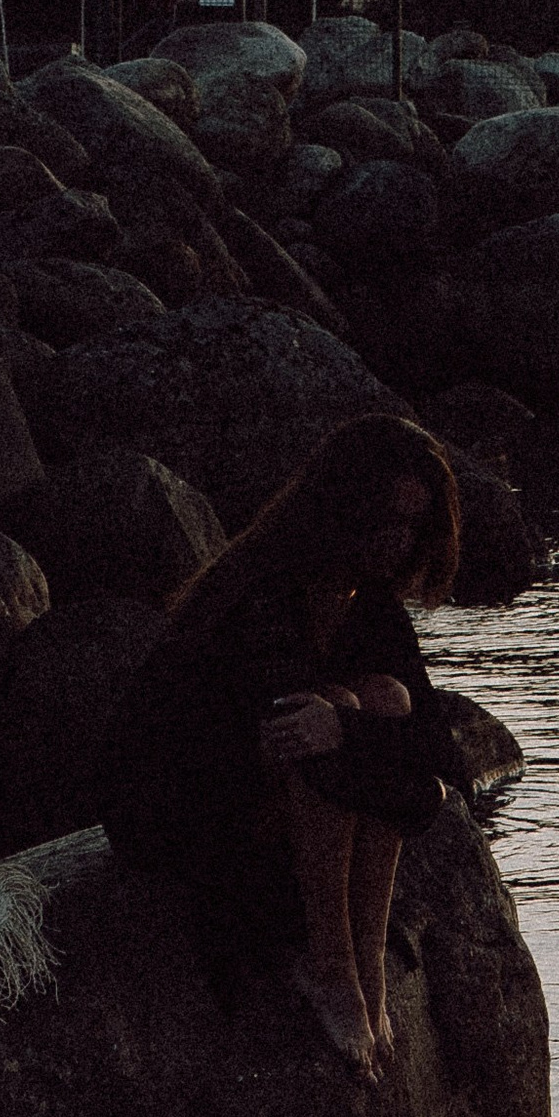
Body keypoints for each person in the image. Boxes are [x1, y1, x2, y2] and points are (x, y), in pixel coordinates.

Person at [97, 414, 466, 1077]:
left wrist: (356, 723)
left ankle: (365, 962)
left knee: (382, 707)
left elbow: (440, 760)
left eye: (415, 528)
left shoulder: (368, 604)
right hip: (181, 809)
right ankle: (331, 968)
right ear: (345, 510)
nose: (399, 544)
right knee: (331, 727)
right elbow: (283, 732)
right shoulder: (262, 590)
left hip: (268, 798)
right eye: (386, 522)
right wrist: (354, 725)